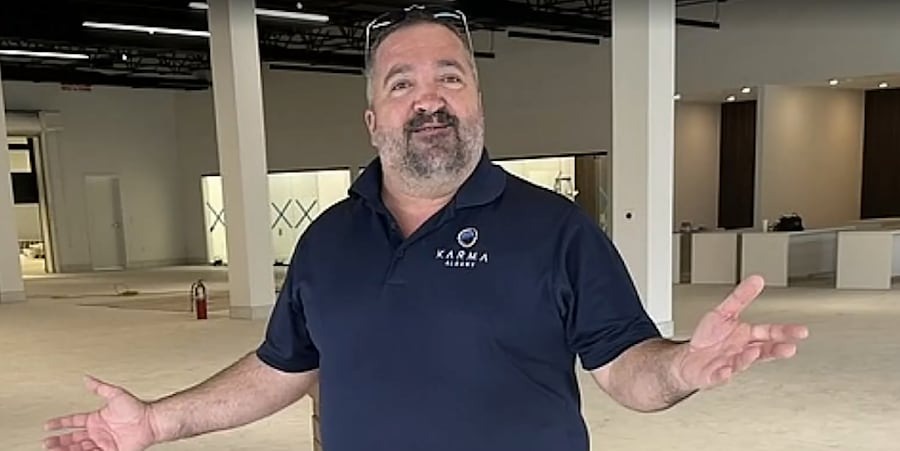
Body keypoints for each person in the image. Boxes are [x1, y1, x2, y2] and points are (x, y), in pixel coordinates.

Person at [43, 5, 808, 451]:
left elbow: (626, 368)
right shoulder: (327, 241)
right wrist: (157, 420)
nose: (429, 98)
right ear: (374, 119)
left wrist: (682, 366)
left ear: (477, 102)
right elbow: (284, 366)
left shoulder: (557, 232)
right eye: (402, 83)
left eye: (451, 77)